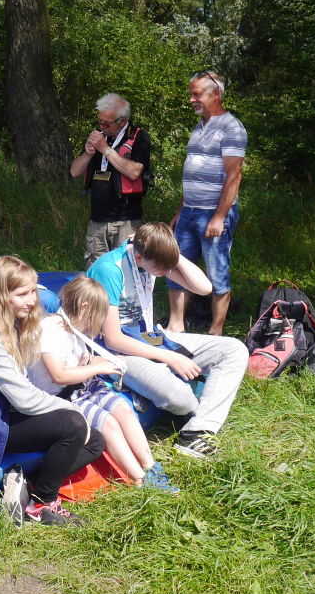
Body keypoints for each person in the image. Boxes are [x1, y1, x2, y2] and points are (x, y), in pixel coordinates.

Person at [0, 255, 105, 526]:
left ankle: (29, 484)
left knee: (95, 441)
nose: (31, 300)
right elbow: (25, 399)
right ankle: (43, 504)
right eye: (22, 294)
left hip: (4, 412)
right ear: (1, 296)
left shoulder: (14, 322)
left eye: (33, 291)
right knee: (73, 425)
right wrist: (73, 410)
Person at [88, 221, 248, 459]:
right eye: (162, 268)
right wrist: (169, 357)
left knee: (234, 349)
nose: (166, 271)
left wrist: (174, 255)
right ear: (139, 257)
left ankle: (197, 432)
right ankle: (200, 408)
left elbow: (204, 288)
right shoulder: (109, 269)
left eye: (168, 267)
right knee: (180, 399)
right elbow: (112, 339)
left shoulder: (152, 257)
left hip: (148, 335)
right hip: (118, 351)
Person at [30, 276, 176, 491]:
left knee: (123, 409)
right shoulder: (51, 329)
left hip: (82, 385)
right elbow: (59, 375)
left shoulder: (74, 328)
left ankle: (150, 466)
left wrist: (113, 360)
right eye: (97, 316)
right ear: (84, 308)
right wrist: (99, 368)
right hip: (61, 394)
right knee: (109, 424)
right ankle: (140, 480)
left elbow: (83, 361)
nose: (98, 323)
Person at [169, 70, 246, 336]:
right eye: (191, 94)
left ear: (216, 95)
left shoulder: (232, 128)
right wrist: (180, 210)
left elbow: (234, 176)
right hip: (189, 212)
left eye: (196, 94)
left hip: (212, 213)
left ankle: (216, 332)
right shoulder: (200, 127)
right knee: (178, 266)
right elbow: (194, 172)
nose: (191, 99)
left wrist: (219, 217)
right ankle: (175, 326)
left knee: (217, 273)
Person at [69, 93, 152, 269]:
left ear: (122, 121)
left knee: (127, 270)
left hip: (127, 221)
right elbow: (74, 171)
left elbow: (134, 172)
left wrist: (105, 149)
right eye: (99, 121)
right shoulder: (99, 136)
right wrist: (88, 154)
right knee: (96, 270)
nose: (101, 126)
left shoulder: (139, 137)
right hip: (97, 220)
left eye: (106, 123)